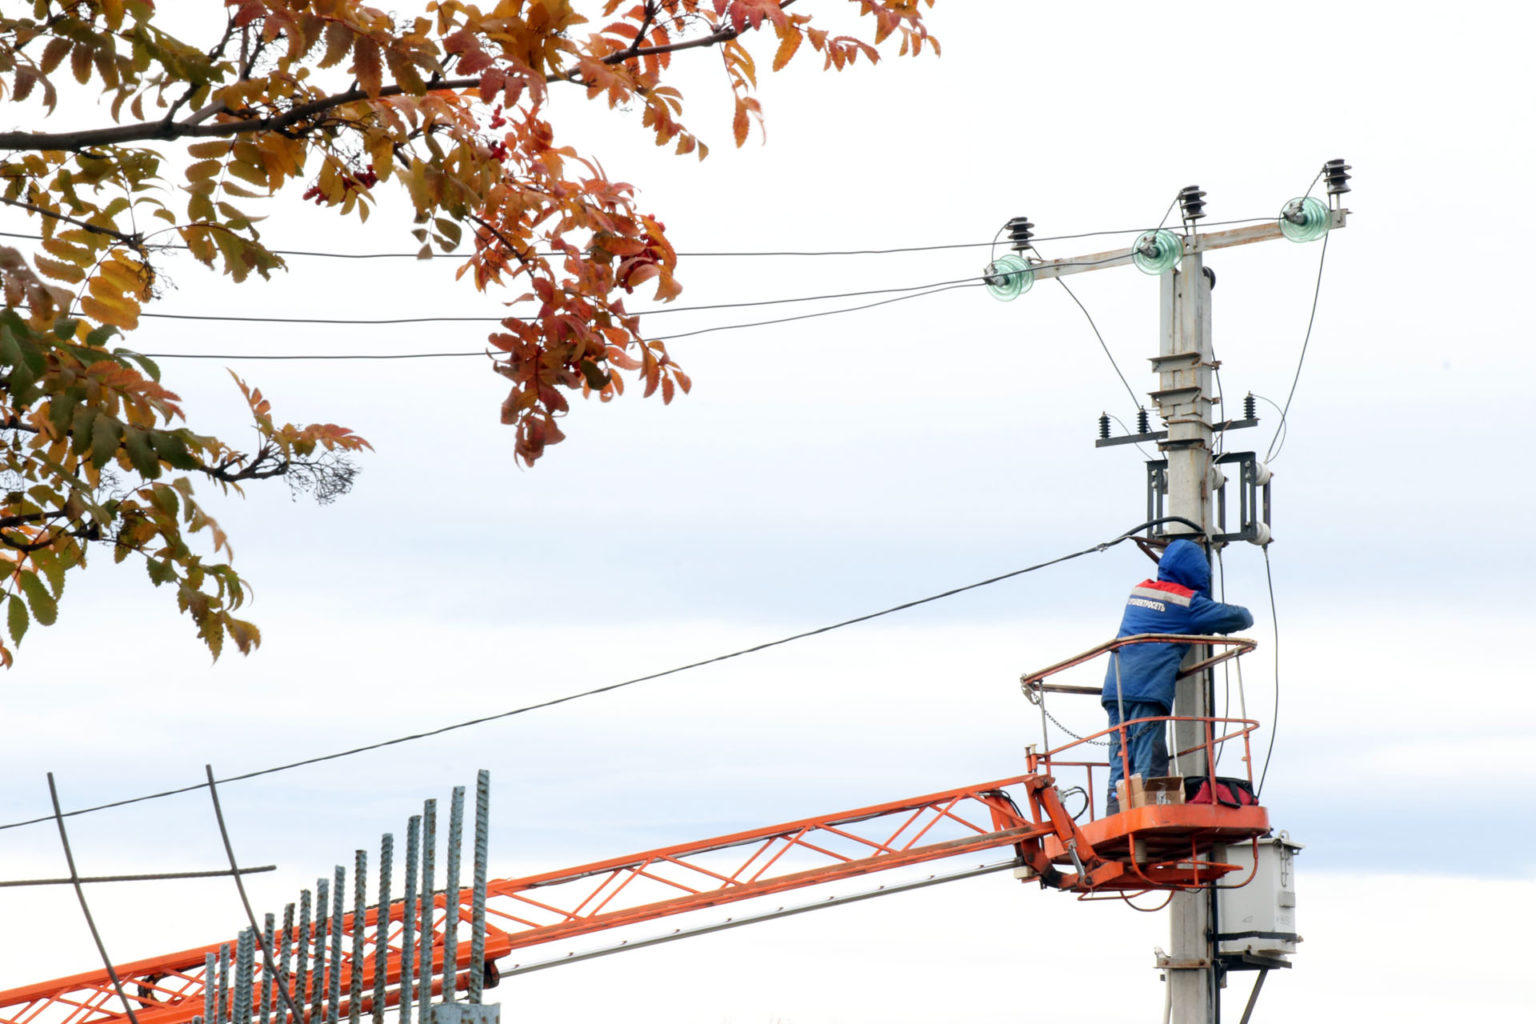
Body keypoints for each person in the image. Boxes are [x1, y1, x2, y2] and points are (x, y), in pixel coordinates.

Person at [1102, 538, 1253, 815]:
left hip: (1116, 688)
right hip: (1149, 688)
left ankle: (1115, 811)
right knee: (1151, 756)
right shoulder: (1187, 603)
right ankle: (1150, 814)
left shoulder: (1140, 590)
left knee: (1121, 755)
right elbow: (1242, 618)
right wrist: (1205, 600)